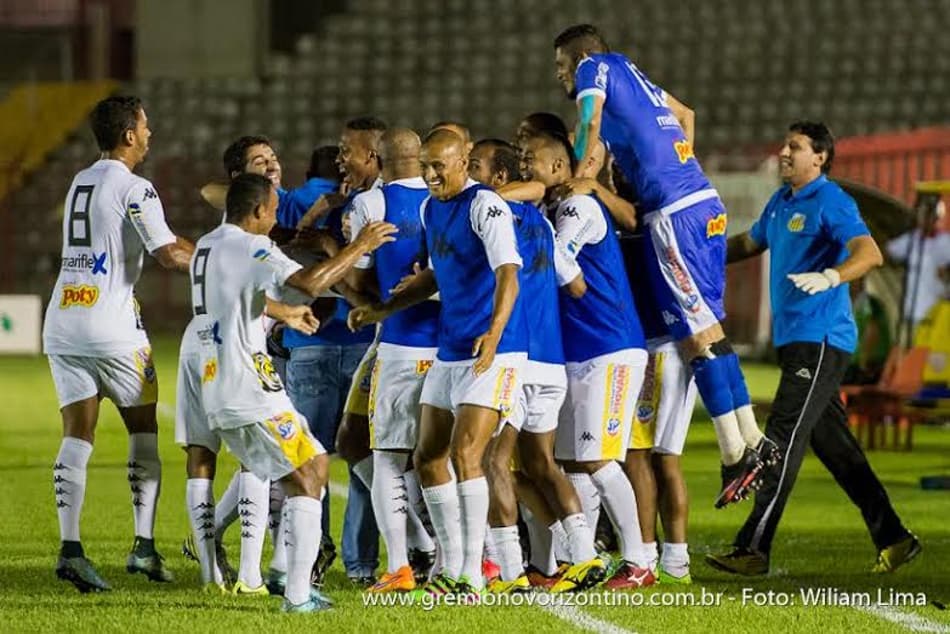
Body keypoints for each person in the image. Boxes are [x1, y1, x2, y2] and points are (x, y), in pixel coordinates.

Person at [553, 24, 779, 507]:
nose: (561, 77)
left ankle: (735, 455)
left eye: (560, 67)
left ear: (577, 59)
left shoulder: (596, 67)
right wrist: (679, 170)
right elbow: (685, 114)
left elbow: (589, 120)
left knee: (695, 337)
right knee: (710, 329)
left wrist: (578, 177)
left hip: (676, 214)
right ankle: (751, 440)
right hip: (698, 202)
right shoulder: (636, 77)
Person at [707, 121, 920, 575]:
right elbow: (750, 242)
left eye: (795, 147)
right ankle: (895, 537)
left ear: (819, 157)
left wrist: (831, 276)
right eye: (785, 144)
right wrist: (701, 254)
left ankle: (753, 548)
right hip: (796, 340)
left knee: (780, 439)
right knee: (837, 449)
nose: (784, 152)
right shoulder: (781, 202)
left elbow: (869, 253)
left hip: (821, 338)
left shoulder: (832, 200)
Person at [192, 173, 396, 612]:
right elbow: (310, 283)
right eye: (271, 211)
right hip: (249, 386)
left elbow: (240, 298)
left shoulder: (208, 245)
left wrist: (284, 312)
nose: (274, 219)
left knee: (303, 470)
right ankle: (297, 594)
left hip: (221, 383)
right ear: (259, 211)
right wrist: (358, 247)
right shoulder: (252, 245)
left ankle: (291, 579)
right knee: (313, 467)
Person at [350, 129, 526, 596]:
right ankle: (450, 564)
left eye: (438, 166)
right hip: (450, 350)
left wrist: (494, 334)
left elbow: (509, 271)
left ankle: (470, 574)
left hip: (495, 352)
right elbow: (434, 274)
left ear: (464, 160)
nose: (429, 175)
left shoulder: (485, 205)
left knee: (467, 455)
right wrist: (382, 310)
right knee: (429, 457)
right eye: (425, 165)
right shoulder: (432, 208)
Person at [43, 95, 194, 592]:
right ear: (129, 135)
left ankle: (71, 549)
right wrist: (223, 253)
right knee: (144, 430)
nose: (150, 135)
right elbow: (169, 253)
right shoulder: (136, 188)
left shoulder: (79, 180)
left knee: (76, 434)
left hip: (63, 323)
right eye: (146, 128)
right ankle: (144, 547)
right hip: (113, 330)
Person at [467, 138, 607, 594]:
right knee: (541, 466)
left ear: (500, 178)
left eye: (476, 167)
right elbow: (578, 285)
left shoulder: (490, 218)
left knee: (492, 460)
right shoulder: (544, 227)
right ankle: (583, 557)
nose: (470, 176)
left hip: (517, 359)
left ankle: (508, 571)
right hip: (552, 362)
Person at [522, 131, 653, 589]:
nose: (524, 168)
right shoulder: (551, 210)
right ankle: (575, 561)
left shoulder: (577, 208)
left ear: (559, 168)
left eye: (531, 159)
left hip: (609, 349)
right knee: (575, 462)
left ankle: (640, 561)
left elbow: (566, 268)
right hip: (577, 350)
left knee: (598, 459)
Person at [288, 117, 387, 586]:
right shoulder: (360, 203)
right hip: (336, 342)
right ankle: (346, 561)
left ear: (372, 156)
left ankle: (332, 560)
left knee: (333, 454)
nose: (342, 160)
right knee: (343, 455)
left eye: (350, 151)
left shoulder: (369, 206)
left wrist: (323, 228)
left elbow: (288, 241)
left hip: (340, 344)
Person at [343, 127, 438, 592]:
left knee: (387, 457)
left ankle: (400, 563)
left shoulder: (370, 205)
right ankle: (460, 558)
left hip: (398, 345)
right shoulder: (445, 200)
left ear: (379, 159)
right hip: (447, 347)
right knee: (441, 457)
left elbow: (360, 284)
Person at [886, 206, 950, 333]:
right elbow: (887, 252)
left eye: (931, 217)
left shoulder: (946, 241)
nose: (927, 220)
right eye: (924, 216)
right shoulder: (911, 240)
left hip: (938, 311)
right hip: (913, 311)